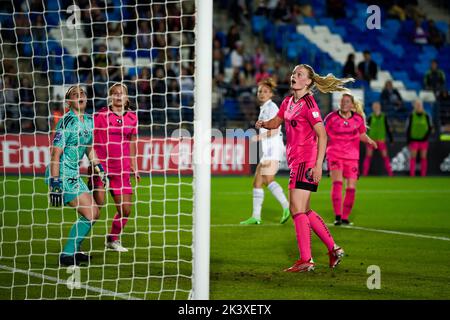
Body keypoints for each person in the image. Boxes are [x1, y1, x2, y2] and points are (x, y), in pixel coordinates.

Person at [256, 64, 346, 272]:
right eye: (293, 73)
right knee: (304, 210)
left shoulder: (309, 104)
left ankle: (306, 259)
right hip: (296, 161)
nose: (293, 76)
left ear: (307, 82)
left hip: (306, 161)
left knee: (296, 209)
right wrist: (264, 123)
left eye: (299, 74)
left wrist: (318, 166)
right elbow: (276, 122)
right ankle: (333, 248)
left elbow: (322, 135)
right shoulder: (288, 101)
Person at [46, 86, 108, 266]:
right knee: (91, 213)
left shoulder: (89, 121)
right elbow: (55, 154)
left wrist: (100, 169)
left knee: (94, 212)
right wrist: (55, 184)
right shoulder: (66, 122)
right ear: (69, 101)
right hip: (62, 174)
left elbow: (89, 149)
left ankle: (76, 249)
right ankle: (67, 254)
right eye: (75, 94)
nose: (80, 96)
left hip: (74, 174)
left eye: (83, 93)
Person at [90, 83, 139, 252]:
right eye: (115, 94)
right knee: (95, 208)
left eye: (121, 94)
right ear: (110, 97)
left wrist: (134, 165)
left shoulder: (133, 118)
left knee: (125, 210)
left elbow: (132, 142)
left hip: (122, 168)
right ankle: (75, 243)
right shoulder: (101, 116)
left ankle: (113, 239)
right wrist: (92, 165)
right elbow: (90, 141)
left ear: (126, 98)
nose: (118, 96)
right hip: (102, 168)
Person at [240, 78, 290, 225]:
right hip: (268, 148)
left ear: (271, 94)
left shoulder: (272, 107)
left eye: (266, 91)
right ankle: (256, 216)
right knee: (257, 181)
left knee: (268, 179)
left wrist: (258, 136)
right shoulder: (264, 108)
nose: (262, 93)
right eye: (260, 91)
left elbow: (274, 130)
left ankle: (287, 207)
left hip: (273, 147)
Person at [324, 93, 377, 226]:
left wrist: (370, 141)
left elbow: (362, 135)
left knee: (351, 188)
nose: (344, 104)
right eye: (342, 101)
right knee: (337, 183)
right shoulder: (331, 118)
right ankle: (338, 216)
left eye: (347, 102)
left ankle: (345, 217)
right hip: (335, 154)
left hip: (352, 157)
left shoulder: (358, 119)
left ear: (352, 105)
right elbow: (322, 134)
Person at [362, 102, 394, 176]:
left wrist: (391, 139)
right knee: (368, 156)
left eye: (377, 106)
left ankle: (390, 173)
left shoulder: (384, 116)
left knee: (385, 156)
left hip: (381, 140)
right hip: (371, 140)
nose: (376, 108)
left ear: (380, 107)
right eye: (375, 107)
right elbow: (365, 129)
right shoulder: (370, 117)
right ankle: (365, 173)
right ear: (373, 108)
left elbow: (388, 128)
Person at [406, 100, 433, 177]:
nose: (418, 106)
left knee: (423, 157)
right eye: (416, 105)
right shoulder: (412, 115)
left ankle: (423, 174)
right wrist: (409, 140)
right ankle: (412, 174)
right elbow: (408, 128)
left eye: (419, 104)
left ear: (422, 105)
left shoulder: (426, 115)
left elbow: (430, 127)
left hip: (424, 140)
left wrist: (426, 137)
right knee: (413, 157)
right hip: (414, 140)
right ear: (414, 106)